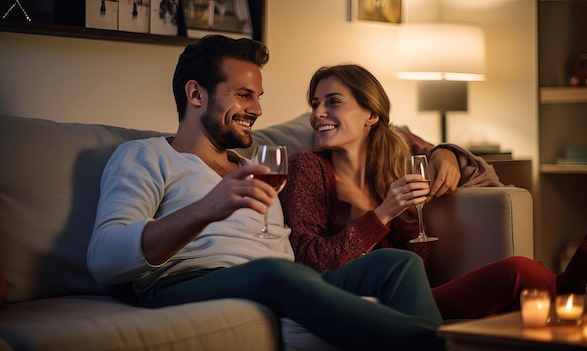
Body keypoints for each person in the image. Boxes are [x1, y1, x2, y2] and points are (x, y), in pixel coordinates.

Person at [87, 35, 446, 350]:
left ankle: (431, 339)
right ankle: (442, 344)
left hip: (285, 279)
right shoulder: (145, 156)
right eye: (244, 96)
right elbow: (104, 259)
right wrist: (206, 209)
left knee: (399, 264)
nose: (257, 110)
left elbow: (385, 134)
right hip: (186, 283)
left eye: (258, 97)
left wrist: (446, 152)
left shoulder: (256, 166)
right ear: (196, 93)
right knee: (276, 273)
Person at [279, 64, 587, 320]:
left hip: (412, 290)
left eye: (332, 102)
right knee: (519, 275)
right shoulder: (307, 168)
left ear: (372, 114)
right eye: (315, 104)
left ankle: (564, 290)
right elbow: (310, 260)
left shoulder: (395, 157)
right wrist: (383, 214)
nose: (317, 113)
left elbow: (417, 258)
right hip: (361, 299)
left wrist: (445, 153)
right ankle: (567, 288)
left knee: (522, 269)